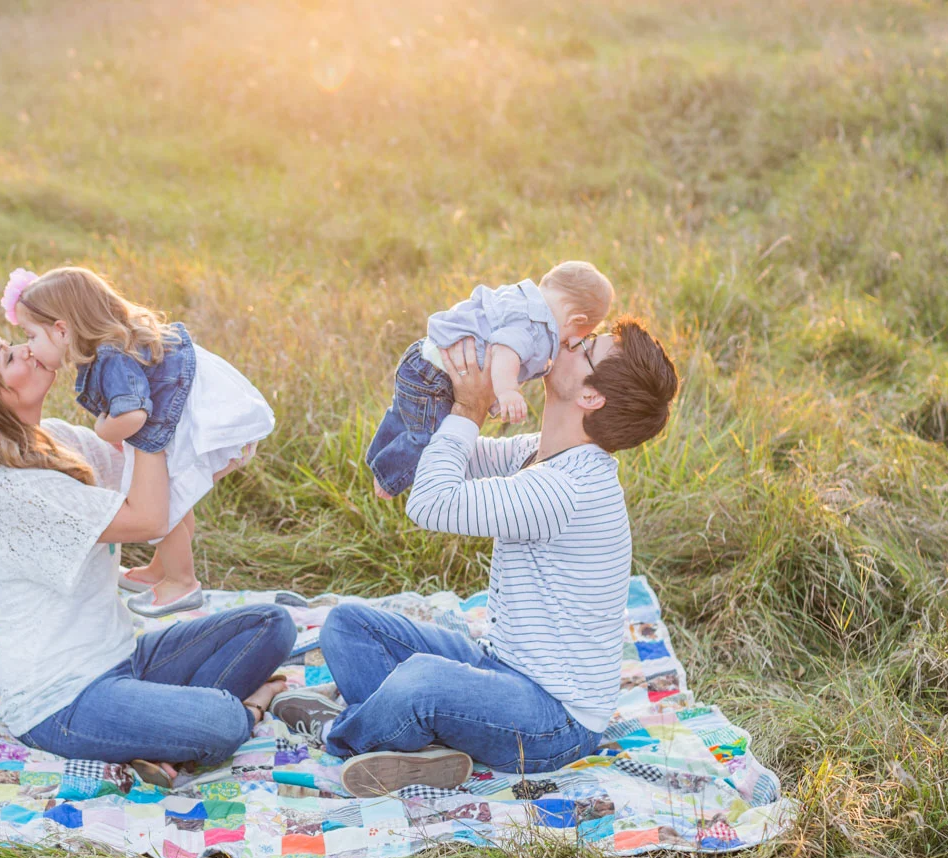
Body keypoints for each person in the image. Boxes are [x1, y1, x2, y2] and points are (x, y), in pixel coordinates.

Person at [276, 318, 678, 797]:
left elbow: (431, 503)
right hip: (503, 668)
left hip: (553, 720)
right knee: (348, 626)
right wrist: (446, 373)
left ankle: (340, 733)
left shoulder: (565, 491)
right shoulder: (542, 454)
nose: (568, 340)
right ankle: (419, 750)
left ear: (591, 396)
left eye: (586, 346)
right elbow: (443, 454)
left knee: (421, 683)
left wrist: (472, 405)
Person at [0, 326, 294, 786]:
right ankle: (236, 708)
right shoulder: (7, 491)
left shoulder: (55, 440)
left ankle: (152, 731)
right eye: (9, 355)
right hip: (60, 697)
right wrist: (141, 419)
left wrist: (214, 438)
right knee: (223, 723)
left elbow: (158, 478)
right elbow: (151, 519)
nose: (28, 351)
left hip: (121, 656)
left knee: (271, 626)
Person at [3, 266, 275, 616]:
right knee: (177, 497)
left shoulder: (109, 358)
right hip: (201, 419)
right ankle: (159, 570)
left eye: (30, 336)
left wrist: (104, 429)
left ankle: (182, 582)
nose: (29, 347)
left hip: (201, 426)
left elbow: (134, 416)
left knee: (166, 503)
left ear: (61, 330)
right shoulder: (115, 345)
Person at [364, 261, 614, 498]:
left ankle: (376, 458)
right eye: (578, 337)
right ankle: (388, 479)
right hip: (436, 380)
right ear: (576, 320)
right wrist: (507, 391)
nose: (568, 345)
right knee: (428, 438)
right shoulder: (536, 327)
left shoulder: (519, 298)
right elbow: (504, 351)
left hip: (421, 358)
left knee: (402, 415)